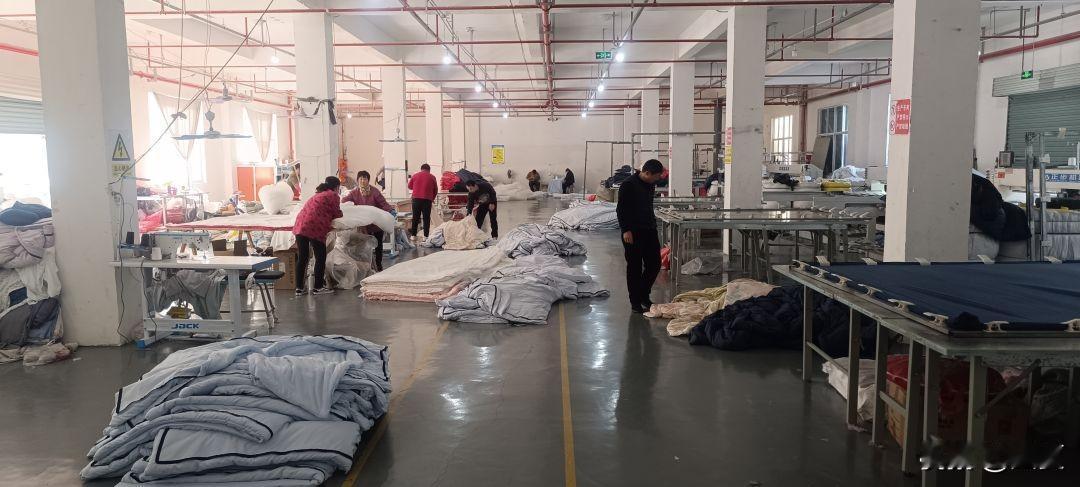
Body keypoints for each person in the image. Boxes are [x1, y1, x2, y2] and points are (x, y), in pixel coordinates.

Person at [616, 159, 665, 313]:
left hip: (649, 230)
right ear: (647, 173)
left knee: (655, 264)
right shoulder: (628, 185)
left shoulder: (650, 184)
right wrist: (626, 230)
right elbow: (621, 209)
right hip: (632, 232)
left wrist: (653, 225)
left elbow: (648, 207)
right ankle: (635, 301)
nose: (657, 180)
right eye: (656, 177)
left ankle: (643, 294)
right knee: (634, 267)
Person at [292, 176, 343, 296]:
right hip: (315, 227)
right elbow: (337, 213)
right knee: (320, 257)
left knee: (303, 257)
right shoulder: (333, 195)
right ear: (337, 187)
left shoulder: (317, 195)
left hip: (300, 225)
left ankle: (299, 288)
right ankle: (318, 287)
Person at [342, 170, 393, 272]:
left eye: (365, 179)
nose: (362, 181)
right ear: (357, 180)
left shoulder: (374, 191)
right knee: (365, 245)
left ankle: (378, 264)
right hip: (363, 225)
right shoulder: (354, 192)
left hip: (376, 223)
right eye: (360, 179)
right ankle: (367, 266)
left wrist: (390, 211)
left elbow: (383, 203)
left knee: (378, 244)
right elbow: (344, 201)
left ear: (368, 180)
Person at [407, 163, 438, 240]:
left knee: (415, 217)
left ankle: (413, 235)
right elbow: (435, 190)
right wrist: (432, 198)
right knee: (426, 218)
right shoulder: (432, 177)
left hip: (416, 199)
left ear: (421, 169)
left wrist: (416, 187)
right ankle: (425, 236)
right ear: (429, 170)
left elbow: (409, 186)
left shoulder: (415, 175)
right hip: (427, 200)